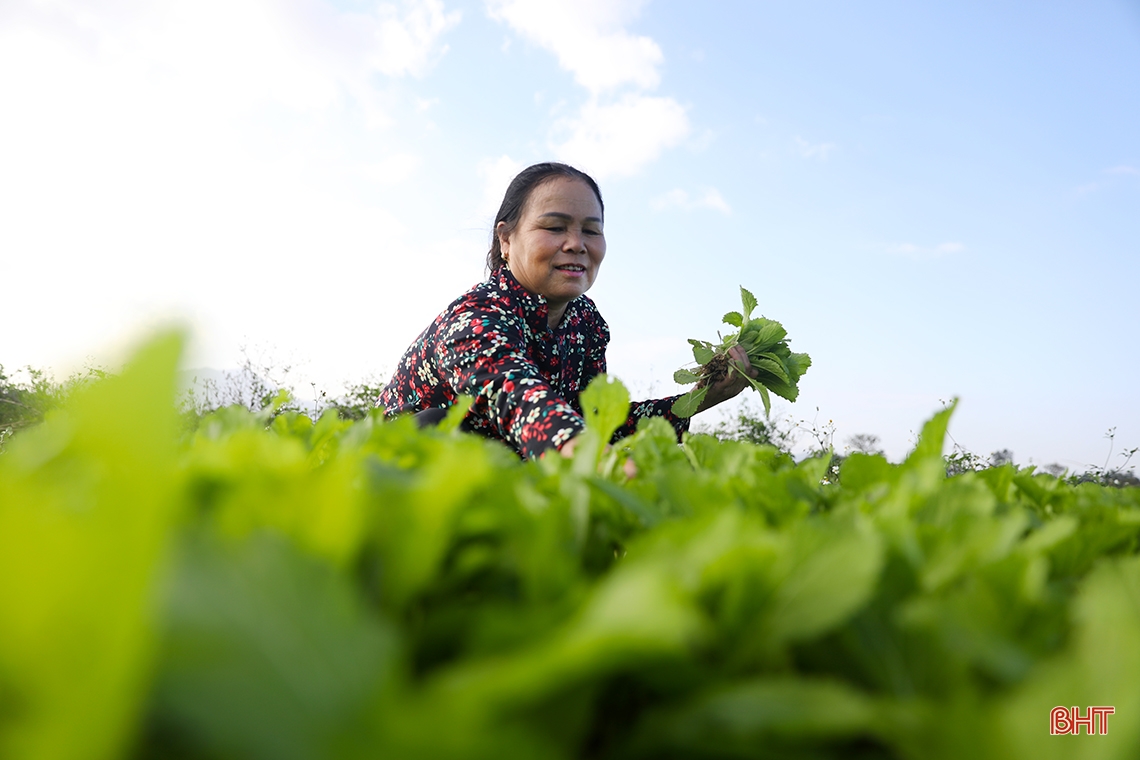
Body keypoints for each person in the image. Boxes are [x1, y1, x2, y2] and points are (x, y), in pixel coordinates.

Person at [377, 162, 756, 459]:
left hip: (506, 479)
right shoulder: (477, 316)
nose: (576, 244)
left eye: (591, 231)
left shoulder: (585, 324)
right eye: (555, 227)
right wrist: (583, 454)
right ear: (505, 238)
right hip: (399, 478)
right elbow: (516, 397)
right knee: (435, 425)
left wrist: (702, 396)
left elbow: (597, 422)